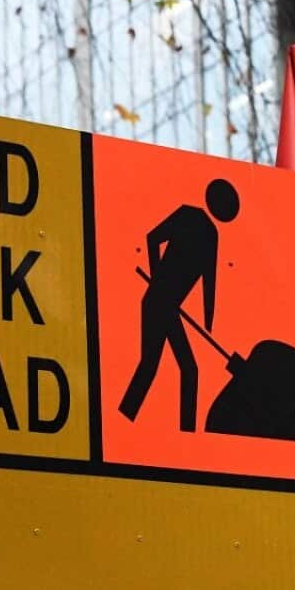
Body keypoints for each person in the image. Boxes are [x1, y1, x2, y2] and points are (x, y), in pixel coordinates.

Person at [119, 178, 240, 431]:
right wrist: (157, 280)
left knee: (179, 369)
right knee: (157, 367)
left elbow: (210, 281)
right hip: (157, 303)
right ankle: (127, 422)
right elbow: (153, 237)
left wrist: (209, 323)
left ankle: (140, 421)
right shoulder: (189, 215)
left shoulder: (210, 234)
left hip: (166, 305)